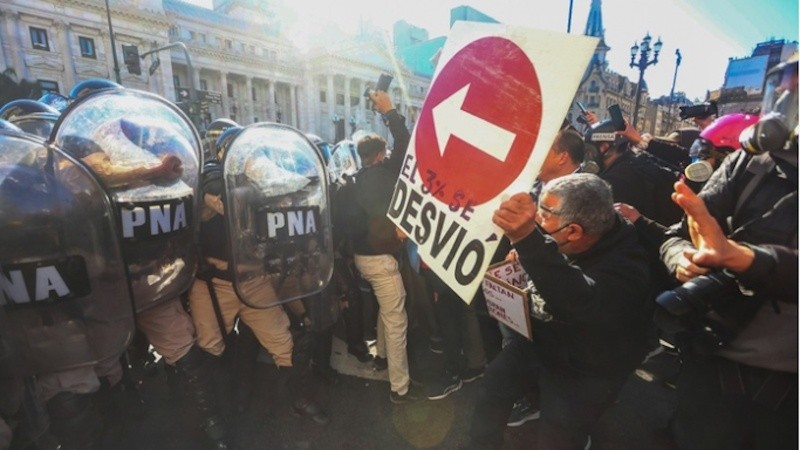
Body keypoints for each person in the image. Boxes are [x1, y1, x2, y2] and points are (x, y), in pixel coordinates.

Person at [657, 55, 798, 450]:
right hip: (712, 362)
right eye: (784, 87)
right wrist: (684, 258)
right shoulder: (749, 162)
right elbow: (678, 233)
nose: (788, 97)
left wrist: (746, 259)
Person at [468, 173, 652, 449]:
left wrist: (530, 243)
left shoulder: (628, 267)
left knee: (560, 433)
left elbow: (579, 300)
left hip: (589, 365)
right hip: (541, 339)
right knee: (494, 386)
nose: (536, 225)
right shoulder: (568, 236)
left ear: (574, 231)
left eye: (543, 220)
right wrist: (529, 256)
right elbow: (552, 265)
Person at [188, 127, 330, 425]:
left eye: (256, 154)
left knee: (283, 342)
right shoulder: (214, 176)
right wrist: (271, 186)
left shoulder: (265, 181)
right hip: (215, 283)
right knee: (210, 346)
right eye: (246, 154)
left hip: (254, 279)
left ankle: (298, 399)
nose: (253, 158)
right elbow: (224, 199)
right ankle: (215, 414)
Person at [339, 88, 422, 403]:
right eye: (385, 154)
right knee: (396, 318)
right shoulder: (385, 174)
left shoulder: (353, 180)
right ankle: (400, 388)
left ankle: (382, 357)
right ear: (380, 155)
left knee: (386, 309)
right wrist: (389, 110)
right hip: (382, 260)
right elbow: (405, 142)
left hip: (362, 260)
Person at [585, 118, 683, 226]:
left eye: (589, 150)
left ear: (604, 147)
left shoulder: (614, 181)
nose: (588, 156)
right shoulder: (639, 161)